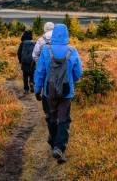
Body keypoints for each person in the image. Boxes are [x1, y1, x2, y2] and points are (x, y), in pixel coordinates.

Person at [34, 24, 82, 164]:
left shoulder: (45, 50)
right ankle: (59, 147)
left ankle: (53, 143)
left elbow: (40, 72)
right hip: (66, 93)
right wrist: (71, 81)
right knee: (63, 119)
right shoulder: (72, 51)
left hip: (49, 92)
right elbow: (78, 73)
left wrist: (38, 89)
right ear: (66, 35)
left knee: (51, 117)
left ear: (54, 34)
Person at [17, 30, 36, 94]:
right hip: (32, 61)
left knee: (25, 76)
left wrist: (20, 60)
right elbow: (36, 52)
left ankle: (26, 89)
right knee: (32, 74)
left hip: (24, 61)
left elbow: (19, 53)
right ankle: (31, 82)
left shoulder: (22, 43)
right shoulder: (34, 43)